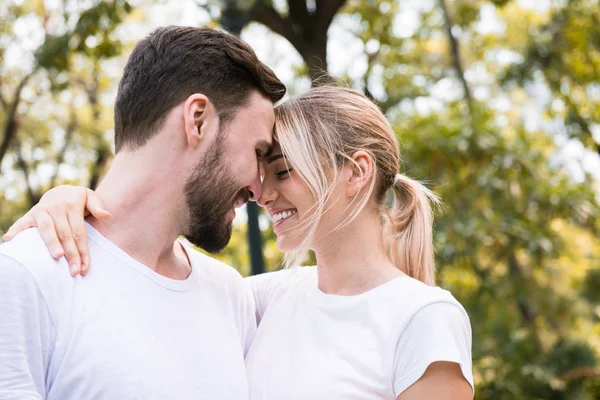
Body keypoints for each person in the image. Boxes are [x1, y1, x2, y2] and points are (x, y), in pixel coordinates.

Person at [5, 86, 474, 399]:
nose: (262, 194)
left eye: (284, 171)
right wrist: (69, 200)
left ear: (356, 172)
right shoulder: (254, 299)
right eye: (261, 171)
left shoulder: (425, 319)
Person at [0, 25, 286, 399]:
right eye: (257, 152)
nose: (259, 189)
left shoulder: (229, 294)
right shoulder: (24, 278)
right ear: (197, 119)